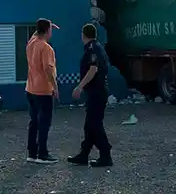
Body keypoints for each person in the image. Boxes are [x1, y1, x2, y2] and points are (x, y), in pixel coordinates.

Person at [67, 23, 113, 167]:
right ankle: (84, 154)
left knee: (94, 124)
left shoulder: (92, 49)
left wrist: (79, 87)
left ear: (83, 35)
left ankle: (106, 154)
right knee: (90, 125)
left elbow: (93, 69)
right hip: (96, 91)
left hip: (97, 92)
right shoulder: (97, 47)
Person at [25, 18, 60, 164]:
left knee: (34, 122)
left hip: (31, 89)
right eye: (50, 29)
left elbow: (36, 33)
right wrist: (55, 87)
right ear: (47, 31)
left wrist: (46, 25)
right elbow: (48, 69)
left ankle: (32, 153)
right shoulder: (46, 48)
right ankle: (43, 154)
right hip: (43, 90)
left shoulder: (31, 43)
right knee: (44, 122)